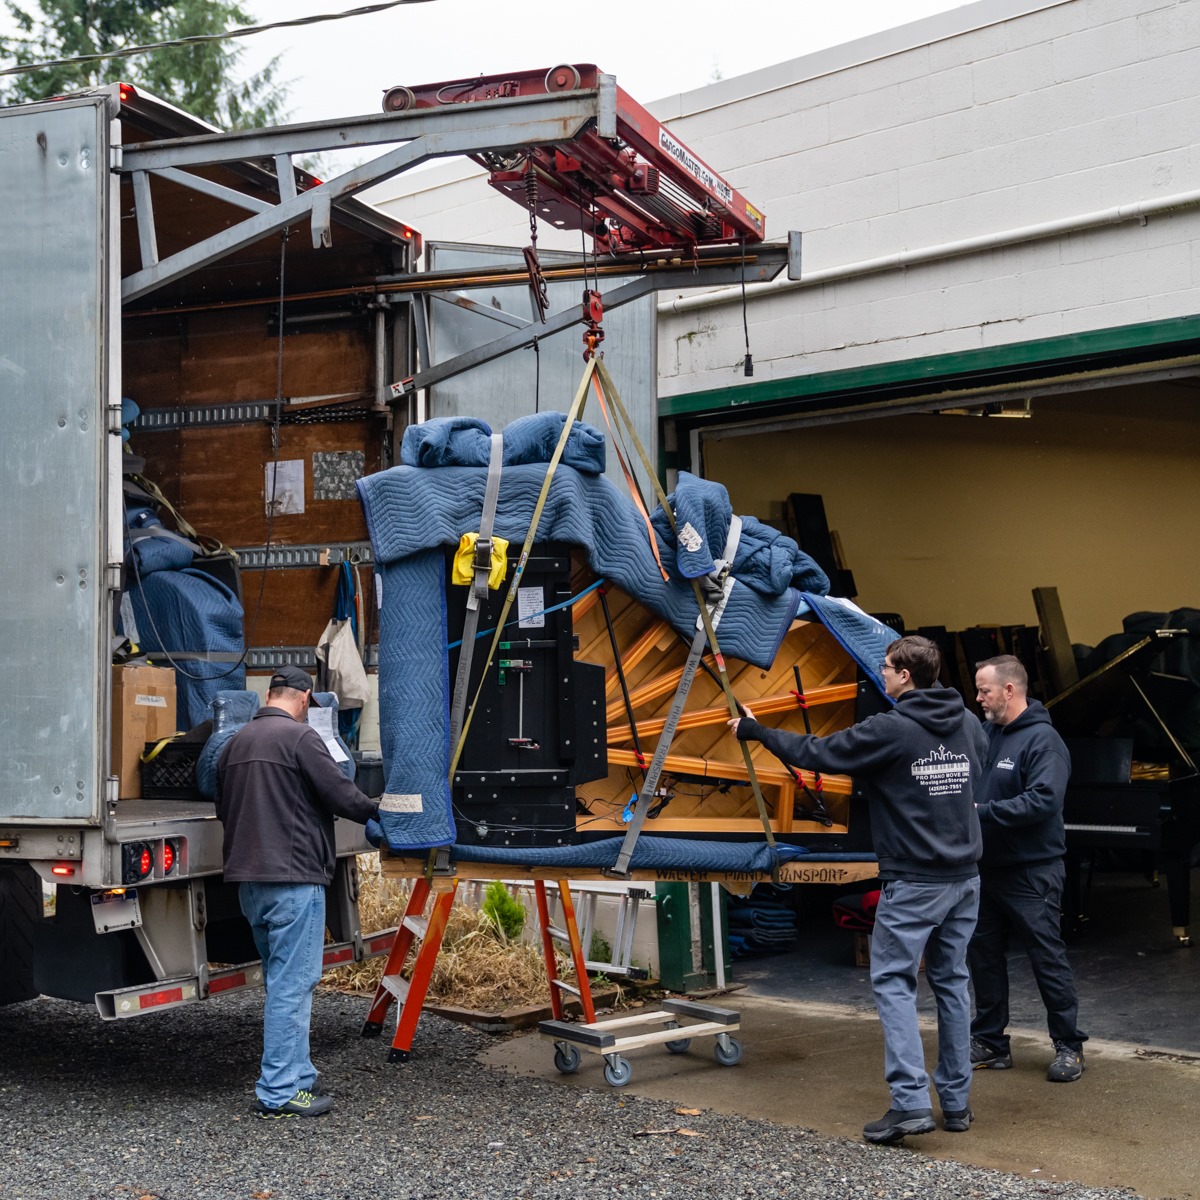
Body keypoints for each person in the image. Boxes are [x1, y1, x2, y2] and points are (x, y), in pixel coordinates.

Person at [729, 635, 986, 1145]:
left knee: (893, 982)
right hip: (965, 878)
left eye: (886, 667)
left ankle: (910, 1103)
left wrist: (755, 730)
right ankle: (956, 1103)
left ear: (905, 676)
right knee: (953, 983)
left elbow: (818, 753)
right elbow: (973, 774)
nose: (881, 674)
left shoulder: (892, 727)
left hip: (914, 880)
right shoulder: (968, 722)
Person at [215, 665, 380, 1120]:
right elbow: (341, 795)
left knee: (281, 981)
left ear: (269, 694)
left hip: (250, 883)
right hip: (294, 880)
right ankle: (279, 1090)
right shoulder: (301, 738)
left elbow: (223, 807)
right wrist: (379, 815)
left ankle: (299, 1074)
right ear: (305, 698)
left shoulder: (234, 744)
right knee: (293, 985)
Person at [970, 655, 1086, 1082]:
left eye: (984, 690)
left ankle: (1069, 1046)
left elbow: (1044, 801)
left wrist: (981, 812)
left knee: (1046, 958)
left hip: (1032, 872)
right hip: (985, 869)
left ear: (1009, 690)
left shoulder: (1044, 741)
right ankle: (990, 1043)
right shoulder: (985, 734)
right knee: (983, 959)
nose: (978, 698)